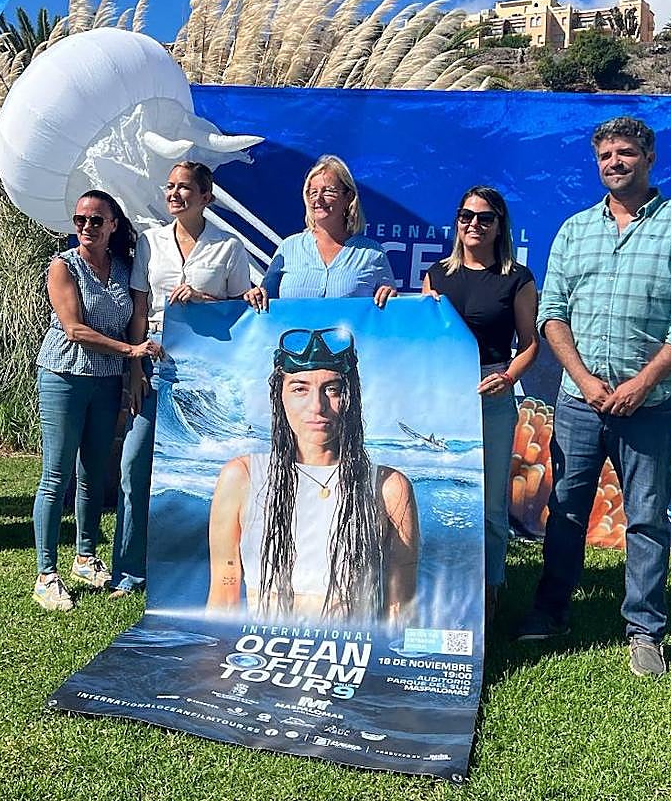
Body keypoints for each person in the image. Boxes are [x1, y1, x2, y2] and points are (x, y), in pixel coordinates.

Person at [516, 117, 671, 678]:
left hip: (648, 405)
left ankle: (644, 631)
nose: (614, 163)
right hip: (580, 401)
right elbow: (551, 312)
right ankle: (551, 610)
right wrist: (583, 380)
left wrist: (642, 383)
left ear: (649, 157)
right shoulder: (574, 230)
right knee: (563, 512)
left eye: (626, 153)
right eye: (605, 155)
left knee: (648, 519)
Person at [205, 327, 419, 623]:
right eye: (299, 389)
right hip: (267, 653)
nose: (317, 407)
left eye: (332, 389)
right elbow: (222, 596)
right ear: (279, 395)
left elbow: (401, 609)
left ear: (351, 396)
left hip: (348, 658)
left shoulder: (389, 488)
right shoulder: (241, 477)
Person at [111, 161, 253, 598]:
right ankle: (129, 571)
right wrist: (134, 368)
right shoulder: (150, 244)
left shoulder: (228, 247)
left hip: (203, 368)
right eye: (170, 186)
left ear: (206, 197)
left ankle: (197, 567)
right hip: (153, 359)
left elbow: (239, 313)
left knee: (205, 474)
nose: (174, 194)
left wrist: (204, 298)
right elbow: (138, 309)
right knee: (135, 463)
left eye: (184, 188)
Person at [31, 190, 163, 612]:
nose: (86, 227)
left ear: (113, 225)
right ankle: (46, 573)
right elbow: (74, 329)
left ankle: (86, 557)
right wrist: (131, 353)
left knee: (92, 475)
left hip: (106, 383)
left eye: (96, 220)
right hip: (64, 376)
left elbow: (135, 319)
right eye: (80, 220)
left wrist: (130, 375)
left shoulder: (125, 269)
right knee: (57, 476)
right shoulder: (62, 266)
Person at [422, 185, 538, 617]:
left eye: (484, 218)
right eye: (466, 215)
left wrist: (508, 377)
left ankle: (490, 588)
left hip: (492, 388)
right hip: (443, 394)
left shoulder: (517, 278)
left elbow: (530, 344)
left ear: (499, 225)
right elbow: (424, 338)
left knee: (488, 501)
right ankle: (442, 580)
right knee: (440, 492)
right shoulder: (436, 275)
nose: (474, 224)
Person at [243, 155, 397, 310]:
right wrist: (256, 295)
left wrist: (390, 298)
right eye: (313, 192)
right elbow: (264, 303)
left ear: (348, 197)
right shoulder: (288, 247)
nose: (318, 199)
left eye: (328, 191)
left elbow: (388, 314)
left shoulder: (372, 253)